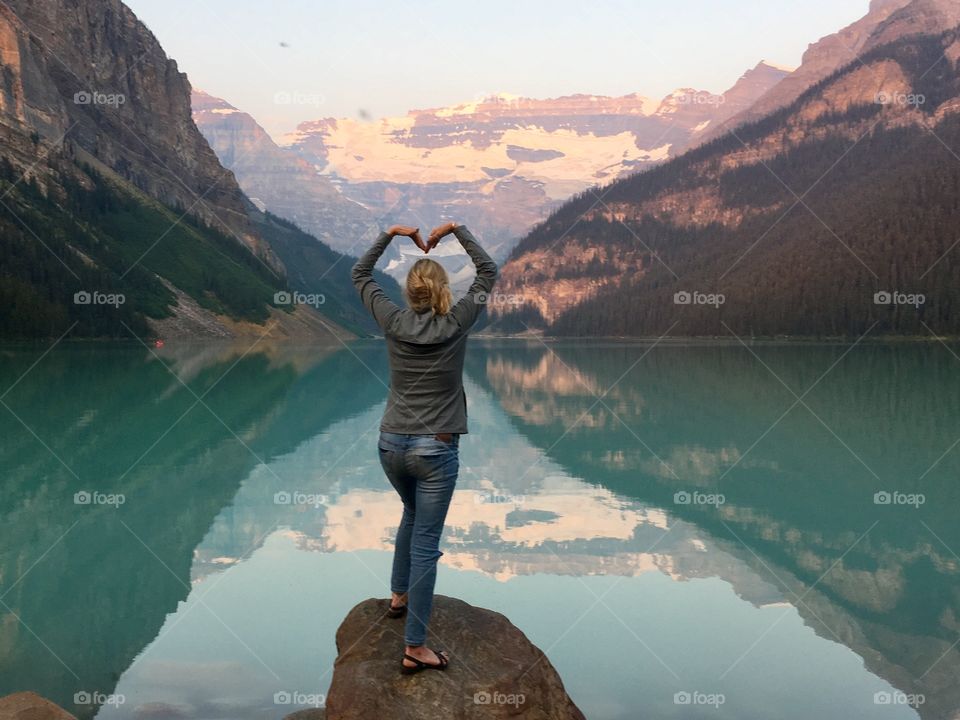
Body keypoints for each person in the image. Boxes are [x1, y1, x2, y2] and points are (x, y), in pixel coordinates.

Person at [351, 221, 498, 674]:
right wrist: (456, 230)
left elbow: (360, 275)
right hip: (435, 450)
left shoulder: (392, 320)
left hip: (391, 445)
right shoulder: (456, 321)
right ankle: (415, 647)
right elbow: (488, 272)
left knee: (410, 515)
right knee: (426, 545)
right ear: (440, 291)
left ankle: (398, 595)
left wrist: (391, 235)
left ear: (410, 291)